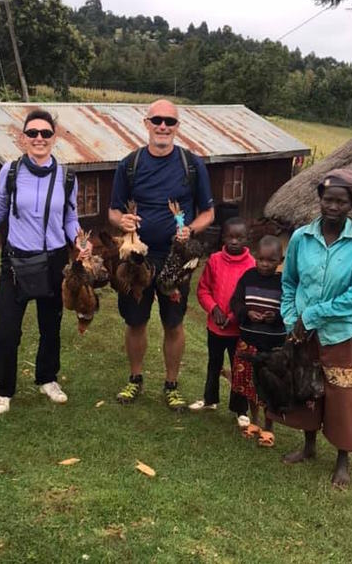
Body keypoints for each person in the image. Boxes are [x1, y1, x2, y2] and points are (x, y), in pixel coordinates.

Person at [0, 109, 91, 415]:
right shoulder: (10, 172)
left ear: (54, 138)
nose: (39, 138)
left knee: (50, 327)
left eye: (45, 133)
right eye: (33, 133)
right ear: (23, 138)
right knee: (7, 331)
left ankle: (47, 378)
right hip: (16, 263)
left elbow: (69, 218)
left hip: (54, 262)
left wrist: (79, 241)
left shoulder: (67, 177)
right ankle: (3, 389)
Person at [109, 99, 214, 410]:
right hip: (136, 257)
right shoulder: (130, 164)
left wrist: (191, 229)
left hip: (175, 258)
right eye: (157, 120)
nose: (163, 127)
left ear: (177, 127)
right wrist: (122, 220)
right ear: (147, 124)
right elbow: (114, 211)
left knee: (173, 322)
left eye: (170, 121)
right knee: (136, 320)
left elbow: (208, 212)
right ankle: (135, 379)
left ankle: (171, 384)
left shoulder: (192, 165)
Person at [280, 168, 352, 487]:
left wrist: (310, 317)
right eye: (328, 200)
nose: (332, 207)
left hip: (341, 334)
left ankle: (343, 460)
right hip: (302, 330)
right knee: (307, 385)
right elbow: (290, 281)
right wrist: (290, 317)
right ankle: (308, 447)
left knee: (343, 394)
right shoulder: (301, 238)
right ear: (319, 199)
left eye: (341, 202)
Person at [190, 217, 255, 415]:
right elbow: (203, 289)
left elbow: (250, 298)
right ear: (223, 237)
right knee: (214, 364)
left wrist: (233, 316)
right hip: (215, 327)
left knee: (240, 368)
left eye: (239, 237)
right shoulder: (215, 260)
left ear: (247, 238)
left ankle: (240, 410)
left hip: (238, 329)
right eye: (229, 237)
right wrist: (213, 309)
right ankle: (210, 399)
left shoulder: (252, 265)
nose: (234, 241)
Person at [230, 235, 285, 447]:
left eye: (271, 260)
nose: (264, 264)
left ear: (280, 260)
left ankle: (269, 426)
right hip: (248, 341)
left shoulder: (282, 283)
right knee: (249, 384)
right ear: (255, 256)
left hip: (273, 346)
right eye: (261, 259)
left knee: (269, 385)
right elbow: (235, 302)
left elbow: (290, 309)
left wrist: (276, 317)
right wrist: (247, 312)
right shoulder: (247, 277)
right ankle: (254, 421)